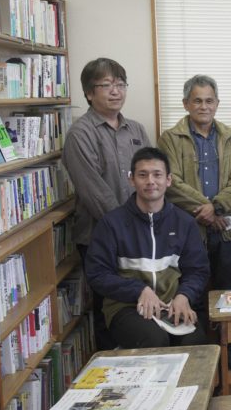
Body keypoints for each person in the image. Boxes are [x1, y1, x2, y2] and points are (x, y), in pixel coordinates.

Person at [62, 57, 151, 350]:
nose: (116, 91)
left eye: (120, 84)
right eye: (106, 85)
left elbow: (152, 175)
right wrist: (128, 229)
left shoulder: (136, 129)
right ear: (89, 92)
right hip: (101, 238)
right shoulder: (80, 133)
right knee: (109, 310)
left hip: (141, 233)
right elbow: (94, 192)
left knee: (141, 307)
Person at [84, 147, 210, 349]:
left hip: (172, 304)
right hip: (126, 306)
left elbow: (198, 270)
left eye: (157, 174)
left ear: (168, 180)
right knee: (154, 340)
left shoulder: (185, 223)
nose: (150, 181)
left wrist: (184, 295)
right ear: (131, 179)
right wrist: (139, 290)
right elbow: (97, 274)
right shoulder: (111, 224)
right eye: (143, 175)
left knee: (194, 343)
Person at [158, 74, 231, 291]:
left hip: (227, 229)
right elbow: (172, 184)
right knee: (191, 291)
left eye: (209, 101)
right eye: (197, 101)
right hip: (188, 228)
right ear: (186, 104)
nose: (204, 107)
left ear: (217, 104)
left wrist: (216, 207)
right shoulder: (170, 138)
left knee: (229, 292)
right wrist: (209, 213)